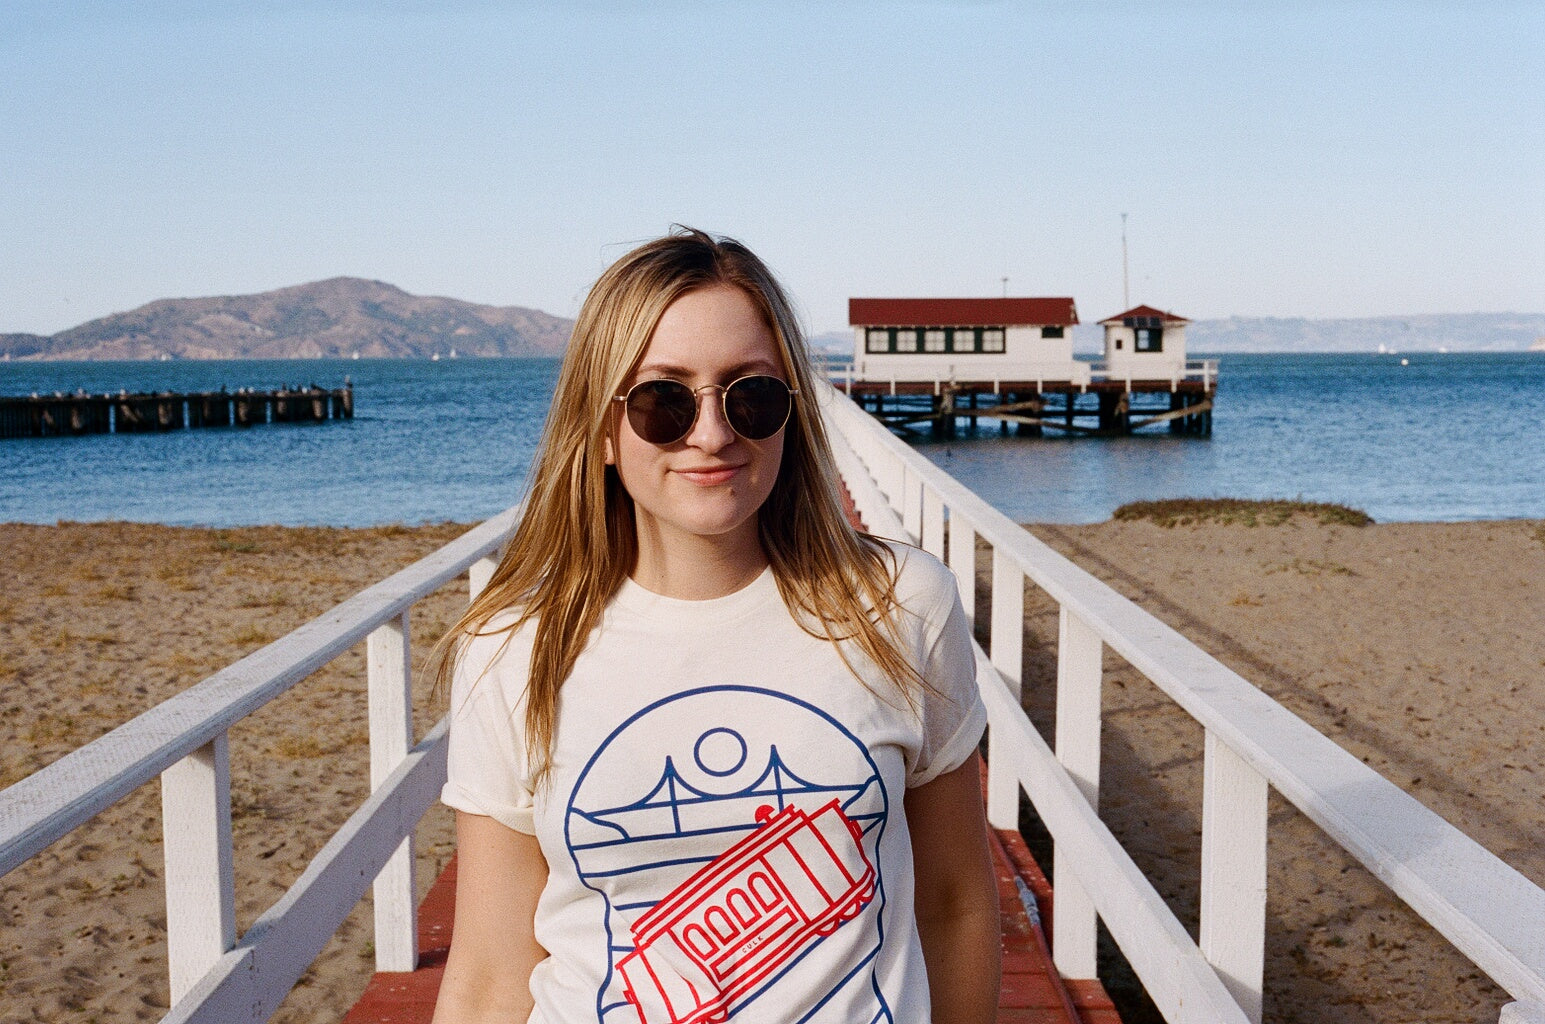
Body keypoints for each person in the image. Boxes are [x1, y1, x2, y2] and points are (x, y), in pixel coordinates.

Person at [431, 227, 1000, 1024]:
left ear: (792, 415)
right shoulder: (515, 647)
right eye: (662, 400)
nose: (711, 433)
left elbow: (956, 905)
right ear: (599, 428)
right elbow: (491, 970)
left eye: (751, 395)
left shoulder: (900, 606)